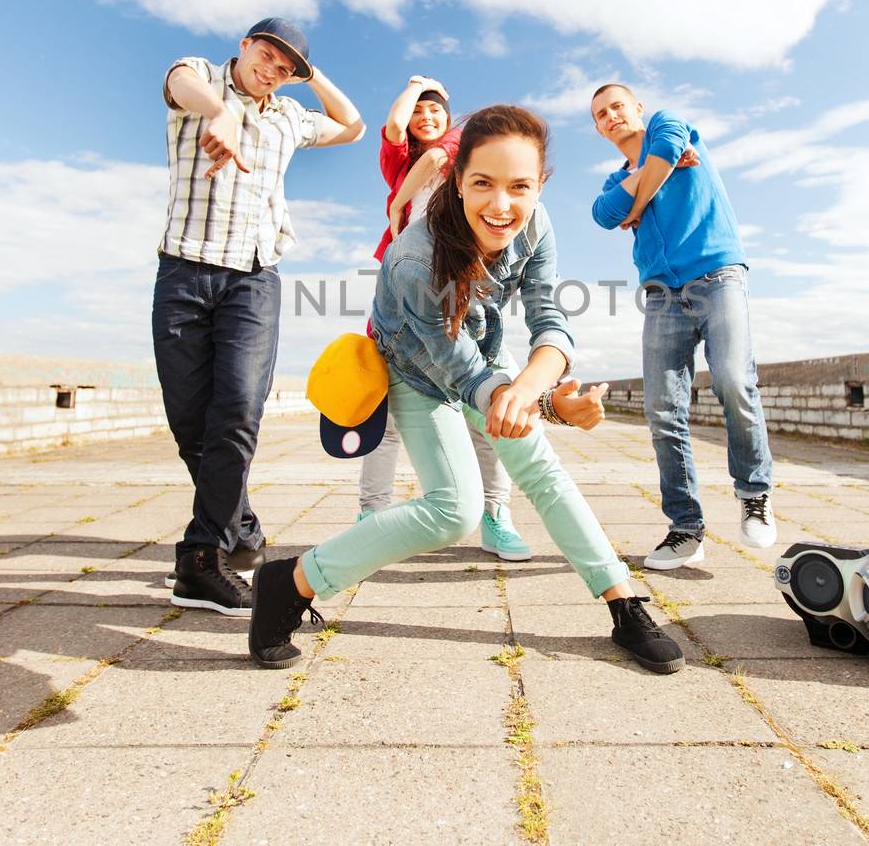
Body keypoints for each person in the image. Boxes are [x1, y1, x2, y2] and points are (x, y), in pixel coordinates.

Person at [246, 105, 685, 674]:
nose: (501, 206)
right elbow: (462, 376)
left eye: (520, 187)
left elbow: (549, 317)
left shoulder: (535, 222)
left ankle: (624, 605)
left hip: (484, 348)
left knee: (541, 470)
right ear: (456, 182)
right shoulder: (413, 259)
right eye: (482, 184)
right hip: (416, 371)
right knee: (454, 510)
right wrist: (544, 405)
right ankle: (293, 580)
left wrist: (535, 388)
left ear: (539, 185)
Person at [153, 17, 364, 613]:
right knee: (190, 423)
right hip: (183, 272)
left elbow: (352, 125)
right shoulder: (200, 79)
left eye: (285, 68)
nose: (271, 69)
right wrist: (218, 111)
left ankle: (201, 558)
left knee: (239, 410)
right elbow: (177, 79)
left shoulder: (289, 117)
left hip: (252, 277)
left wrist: (311, 73)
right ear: (245, 46)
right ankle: (241, 530)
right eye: (267, 55)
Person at [589, 83, 776, 570]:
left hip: (718, 276)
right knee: (662, 410)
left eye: (617, 107)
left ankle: (754, 493)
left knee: (734, 380)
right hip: (662, 295)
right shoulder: (614, 179)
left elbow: (668, 148)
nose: (610, 117)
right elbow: (604, 214)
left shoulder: (669, 122)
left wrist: (639, 198)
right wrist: (640, 186)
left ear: (637, 110)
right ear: (597, 128)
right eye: (600, 115)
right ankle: (685, 528)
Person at [357, 75, 532, 561]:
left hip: (459, 287)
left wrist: (397, 202)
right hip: (401, 294)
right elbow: (394, 126)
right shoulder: (396, 159)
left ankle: (496, 515)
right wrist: (412, 87)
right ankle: (370, 517)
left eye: (434, 109)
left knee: (485, 407)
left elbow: (437, 158)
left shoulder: (459, 145)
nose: (425, 117)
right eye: (419, 111)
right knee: (386, 418)